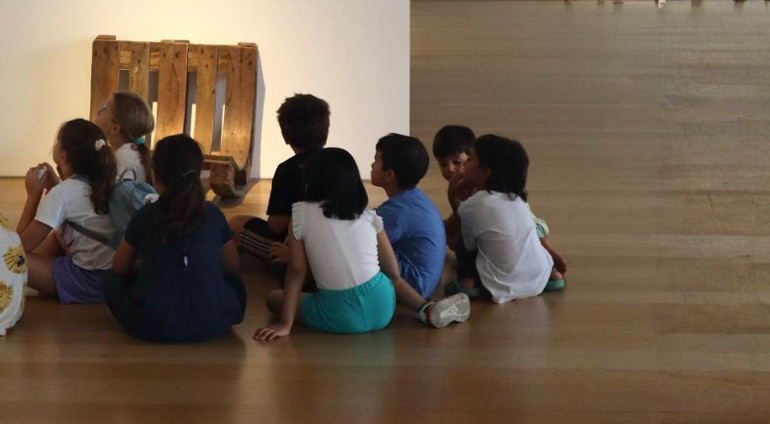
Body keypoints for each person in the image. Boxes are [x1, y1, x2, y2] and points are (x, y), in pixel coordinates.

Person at [253, 148, 470, 341]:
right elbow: (393, 272)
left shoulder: (300, 213)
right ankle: (426, 308)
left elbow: (296, 271)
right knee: (379, 274)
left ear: (311, 180)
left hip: (340, 314)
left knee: (274, 298)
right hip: (383, 308)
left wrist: (285, 324)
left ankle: (317, 309)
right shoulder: (370, 217)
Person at [105, 134, 246, 343]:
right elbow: (232, 266)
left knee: (110, 281)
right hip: (212, 321)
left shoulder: (145, 215)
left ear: (155, 176)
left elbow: (119, 268)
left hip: (156, 325)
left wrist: (149, 265)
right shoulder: (214, 214)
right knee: (234, 283)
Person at [433, 125, 567, 286]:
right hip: (535, 268)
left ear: (483, 168)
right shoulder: (509, 192)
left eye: (459, 162)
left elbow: (465, 231)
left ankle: (468, 279)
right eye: (443, 164)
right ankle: (550, 268)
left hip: (525, 238)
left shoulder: (479, 195)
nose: (450, 169)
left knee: (462, 241)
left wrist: (453, 203)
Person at [16, 118, 116, 303]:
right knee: (57, 236)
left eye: (57, 141)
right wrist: (55, 186)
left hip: (88, 281)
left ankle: (53, 285)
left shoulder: (63, 193)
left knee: (8, 260)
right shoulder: (101, 180)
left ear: (63, 157)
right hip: (110, 278)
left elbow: (19, 247)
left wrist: (33, 195)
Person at [229, 94, 328, 264]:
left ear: (285, 135)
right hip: (335, 245)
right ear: (325, 130)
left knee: (235, 224)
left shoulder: (287, 169)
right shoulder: (342, 163)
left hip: (302, 252)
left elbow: (276, 225)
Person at [371, 133, 445, 298]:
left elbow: (362, 236)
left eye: (376, 160)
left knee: (358, 247)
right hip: (425, 283)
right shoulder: (413, 199)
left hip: (414, 286)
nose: (372, 164)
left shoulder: (399, 212)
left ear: (389, 175)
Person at [94, 92, 155, 183]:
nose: (98, 111)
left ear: (115, 129)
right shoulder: (125, 152)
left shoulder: (125, 156)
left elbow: (118, 191)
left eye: (105, 108)